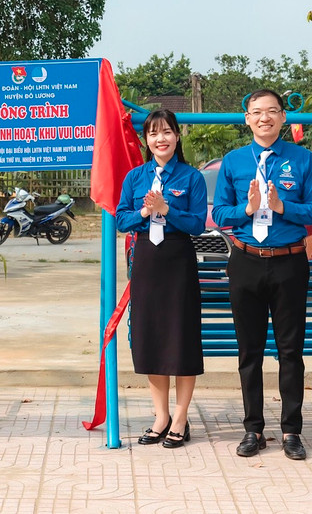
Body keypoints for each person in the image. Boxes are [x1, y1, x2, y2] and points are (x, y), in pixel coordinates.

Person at [211, 89, 312, 461]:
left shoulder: (302, 159)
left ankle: (292, 430)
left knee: (291, 351)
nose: (265, 118)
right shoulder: (233, 161)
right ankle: (252, 428)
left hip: (289, 262)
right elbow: (221, 215)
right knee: (250, 351)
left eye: (272, 112)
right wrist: (248, 208)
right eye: (257, 112)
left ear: (282, 118)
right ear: (247, 118)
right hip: (246, 261)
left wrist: (280, 206)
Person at [114, 109, 208, 448]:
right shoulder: (135, 177)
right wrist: (144, 211)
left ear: (177, 136)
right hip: (147, 263)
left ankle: (181, 418)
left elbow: (198, 224)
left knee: (180, 339)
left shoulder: (191, 177)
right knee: (152, 338)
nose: (161, 139)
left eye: (167, 132)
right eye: (154, 133)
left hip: (178, 261)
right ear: (147, 140)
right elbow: (121, 220)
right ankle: (161, 416)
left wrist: (168, 210)